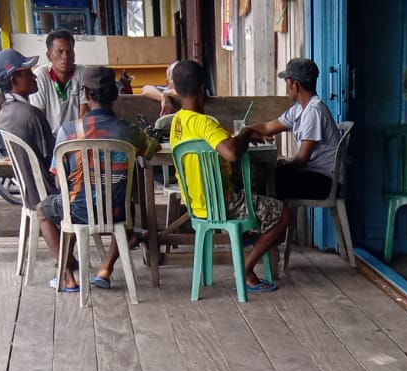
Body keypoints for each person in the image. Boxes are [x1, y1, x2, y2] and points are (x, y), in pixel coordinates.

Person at [168, 58, 290, 293]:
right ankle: (244, 267)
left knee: (258, 199)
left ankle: (245, 243)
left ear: (175, 89)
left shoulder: (178, 123)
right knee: (283, 214)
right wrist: (245, 133)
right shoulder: (203, 123)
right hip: (224, 203)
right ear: (204, 88)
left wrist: (239, 137)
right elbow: (232, 152)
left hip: (196, 206)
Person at [55, 65, 158, 289]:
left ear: (86, 94)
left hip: (77, 211)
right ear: (116, 93)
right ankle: (106, 269)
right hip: (117, 212)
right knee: (126, 202)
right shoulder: (129, 131)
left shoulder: (68, 131)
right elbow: (152, 149)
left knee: (50, 209)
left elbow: (57, 179)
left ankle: (66, 275)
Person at [0, 48, 79, 292]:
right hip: (45, 188)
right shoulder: (29, 114)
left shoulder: (6, 111)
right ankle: (66, 271)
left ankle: (68, 261)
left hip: (30, 186)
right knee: (85, 193)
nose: (33, 77)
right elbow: (54, 155)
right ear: (14, 80)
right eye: (27, 73)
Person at [242, 57, 341, 201]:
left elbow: (302, 160)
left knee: (264, 181)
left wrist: (281, 167)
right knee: (267, 177)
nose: (286, 89)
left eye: (286, 82)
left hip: (325, 181)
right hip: (313, 174)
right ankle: (278, 220)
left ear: (295, 85)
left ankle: (277, 221)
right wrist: (245, 131)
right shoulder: (299, 109)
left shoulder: (314, 111)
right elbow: (268, 127)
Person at [29, 28, 92, 131]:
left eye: (69, 52)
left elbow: (84, 114)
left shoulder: (81, 72)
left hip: (76, 136)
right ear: (49, 56)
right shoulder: (41, 76)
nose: (65, 57)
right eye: (60, 52)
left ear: (74, 55)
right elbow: (38, 116)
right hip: (50, 138)